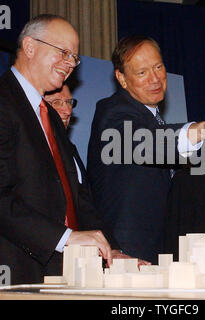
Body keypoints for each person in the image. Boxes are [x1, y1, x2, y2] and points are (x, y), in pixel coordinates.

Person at [87, 35, 205, 264]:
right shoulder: (112, 112)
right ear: (121, 78)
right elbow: (147, 145)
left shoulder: (153, 119)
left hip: (160, 250)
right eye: (142, 72)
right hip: (126, 254)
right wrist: (203, 128)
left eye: (158, 67)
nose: (155, 79)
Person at [0, 14, 117, 285]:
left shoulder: (50, 116)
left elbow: (75, 194)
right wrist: (64, 238)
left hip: (61, 270)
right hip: (15, 271)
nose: (70, 64)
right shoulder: (4, 102)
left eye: (74, 57)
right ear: (29, 47)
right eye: (63, 52)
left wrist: (107, 248)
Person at [44, 84, 150, 266]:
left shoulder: (70, 151)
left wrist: (112, 251)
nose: (67, 110)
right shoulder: (27, 150)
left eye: (69, 102)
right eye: (56, 103)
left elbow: (85, 209)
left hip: (73, 266)